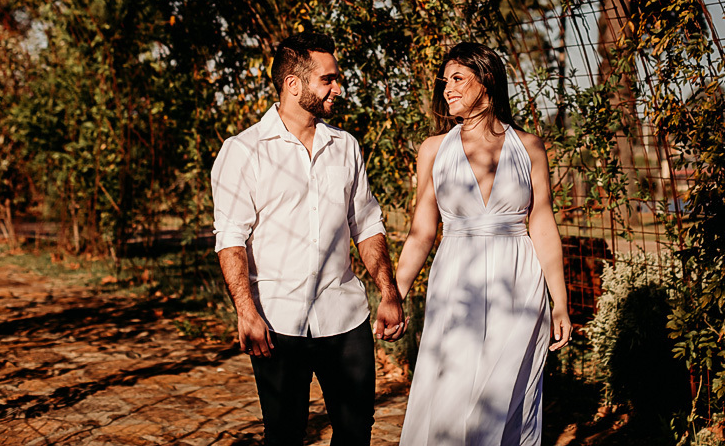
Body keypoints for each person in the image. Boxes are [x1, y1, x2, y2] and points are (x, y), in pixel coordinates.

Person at [210, 31, 406, 446]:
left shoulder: (346, 147)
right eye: (328, 79)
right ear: (293, 85)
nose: (339, 87)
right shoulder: (243, 151)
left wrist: (388, 293)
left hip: (345, 315)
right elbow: (231, 239)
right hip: (279, 322)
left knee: (356, 430)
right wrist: (246, 312)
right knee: (285, 435)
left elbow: (367, 225)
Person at [396, 42, 571, 446]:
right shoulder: (433, 150)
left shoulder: (528, 147)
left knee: (506, 395)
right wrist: (395, 293)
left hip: (519, 284)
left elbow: (542, 223)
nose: (447, 89)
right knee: (452, 395)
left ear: (487, 80)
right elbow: (422, 232)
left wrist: (558, 301)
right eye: (445, 81)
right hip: (457, 282)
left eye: (458, 79)